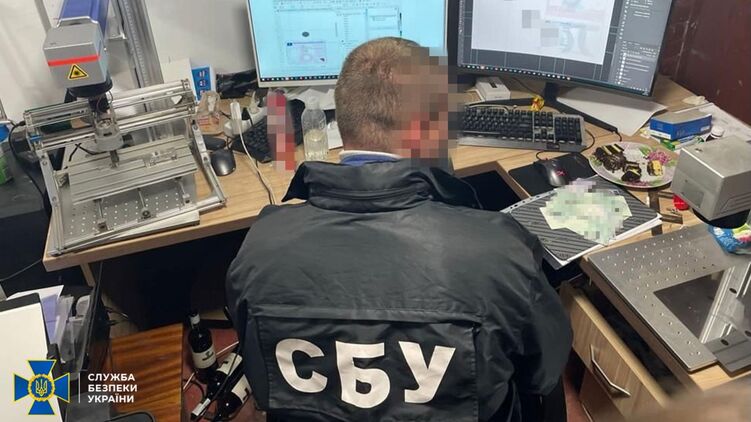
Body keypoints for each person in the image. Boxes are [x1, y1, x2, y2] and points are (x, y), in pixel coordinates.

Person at [226, 37, 572, 421]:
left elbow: (263, 381)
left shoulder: (259, 251)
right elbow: (542, 372)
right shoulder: (500, 253)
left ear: (344, 120)